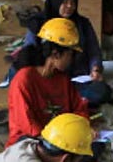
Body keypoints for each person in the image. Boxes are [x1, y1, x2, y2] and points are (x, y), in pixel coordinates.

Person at [1, 0, 108, 104]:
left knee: (100, 92)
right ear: (54, 2)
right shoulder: (37, 24)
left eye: (72, 2)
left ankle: (60, 100)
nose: (70, 6)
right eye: (64, 2)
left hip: (75, 78)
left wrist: (95, 68)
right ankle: (63, 100)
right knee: (20, 79)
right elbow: (30, 52)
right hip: (47, 78)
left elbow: (94, 51)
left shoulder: (83, 24)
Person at [5, 17, 91, 147]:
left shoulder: (62, 78)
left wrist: (83, 127)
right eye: (70, 54)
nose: (72, 59)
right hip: (31, 142)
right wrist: (56, 142)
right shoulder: (23, 80)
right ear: (56, 54)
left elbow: (79, 109)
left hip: (58, 138)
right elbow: (29, 126)